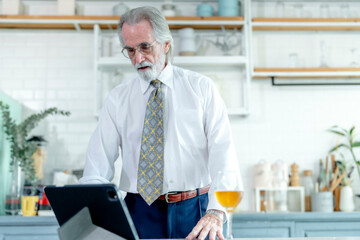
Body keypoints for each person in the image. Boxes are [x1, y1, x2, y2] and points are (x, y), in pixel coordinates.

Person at [79, 6, 242, 240]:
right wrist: (92, 211)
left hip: (196, 210)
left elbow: (224, 153)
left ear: (166, 44)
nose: (138, 58)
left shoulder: (201, 88)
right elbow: (97, 164)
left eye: (145, 47)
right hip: (139, 210)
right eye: (130, 50)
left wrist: (216, 211)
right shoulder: (118, 99)